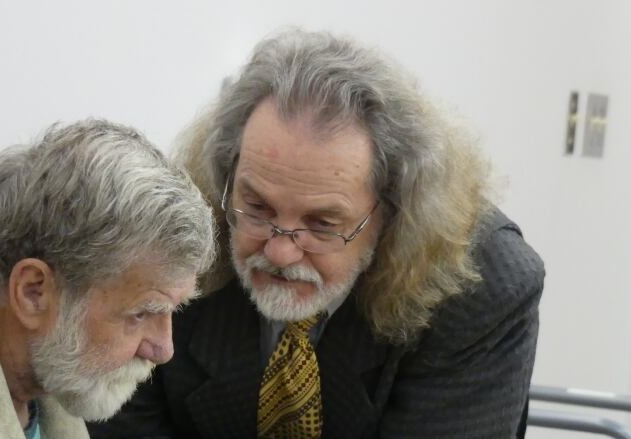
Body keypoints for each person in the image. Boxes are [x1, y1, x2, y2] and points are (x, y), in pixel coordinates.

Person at [88, 29, 544, 439]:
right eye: (258, 208)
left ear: (393, 211)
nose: (281, 251)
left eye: (323, 224)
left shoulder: (483, 285)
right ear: (226, 174)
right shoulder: (170, 237)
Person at [0, 119, 216, 439]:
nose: (163, 349)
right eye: (140, 314)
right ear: (33, 292)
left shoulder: (41, 374)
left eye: (173, 310)